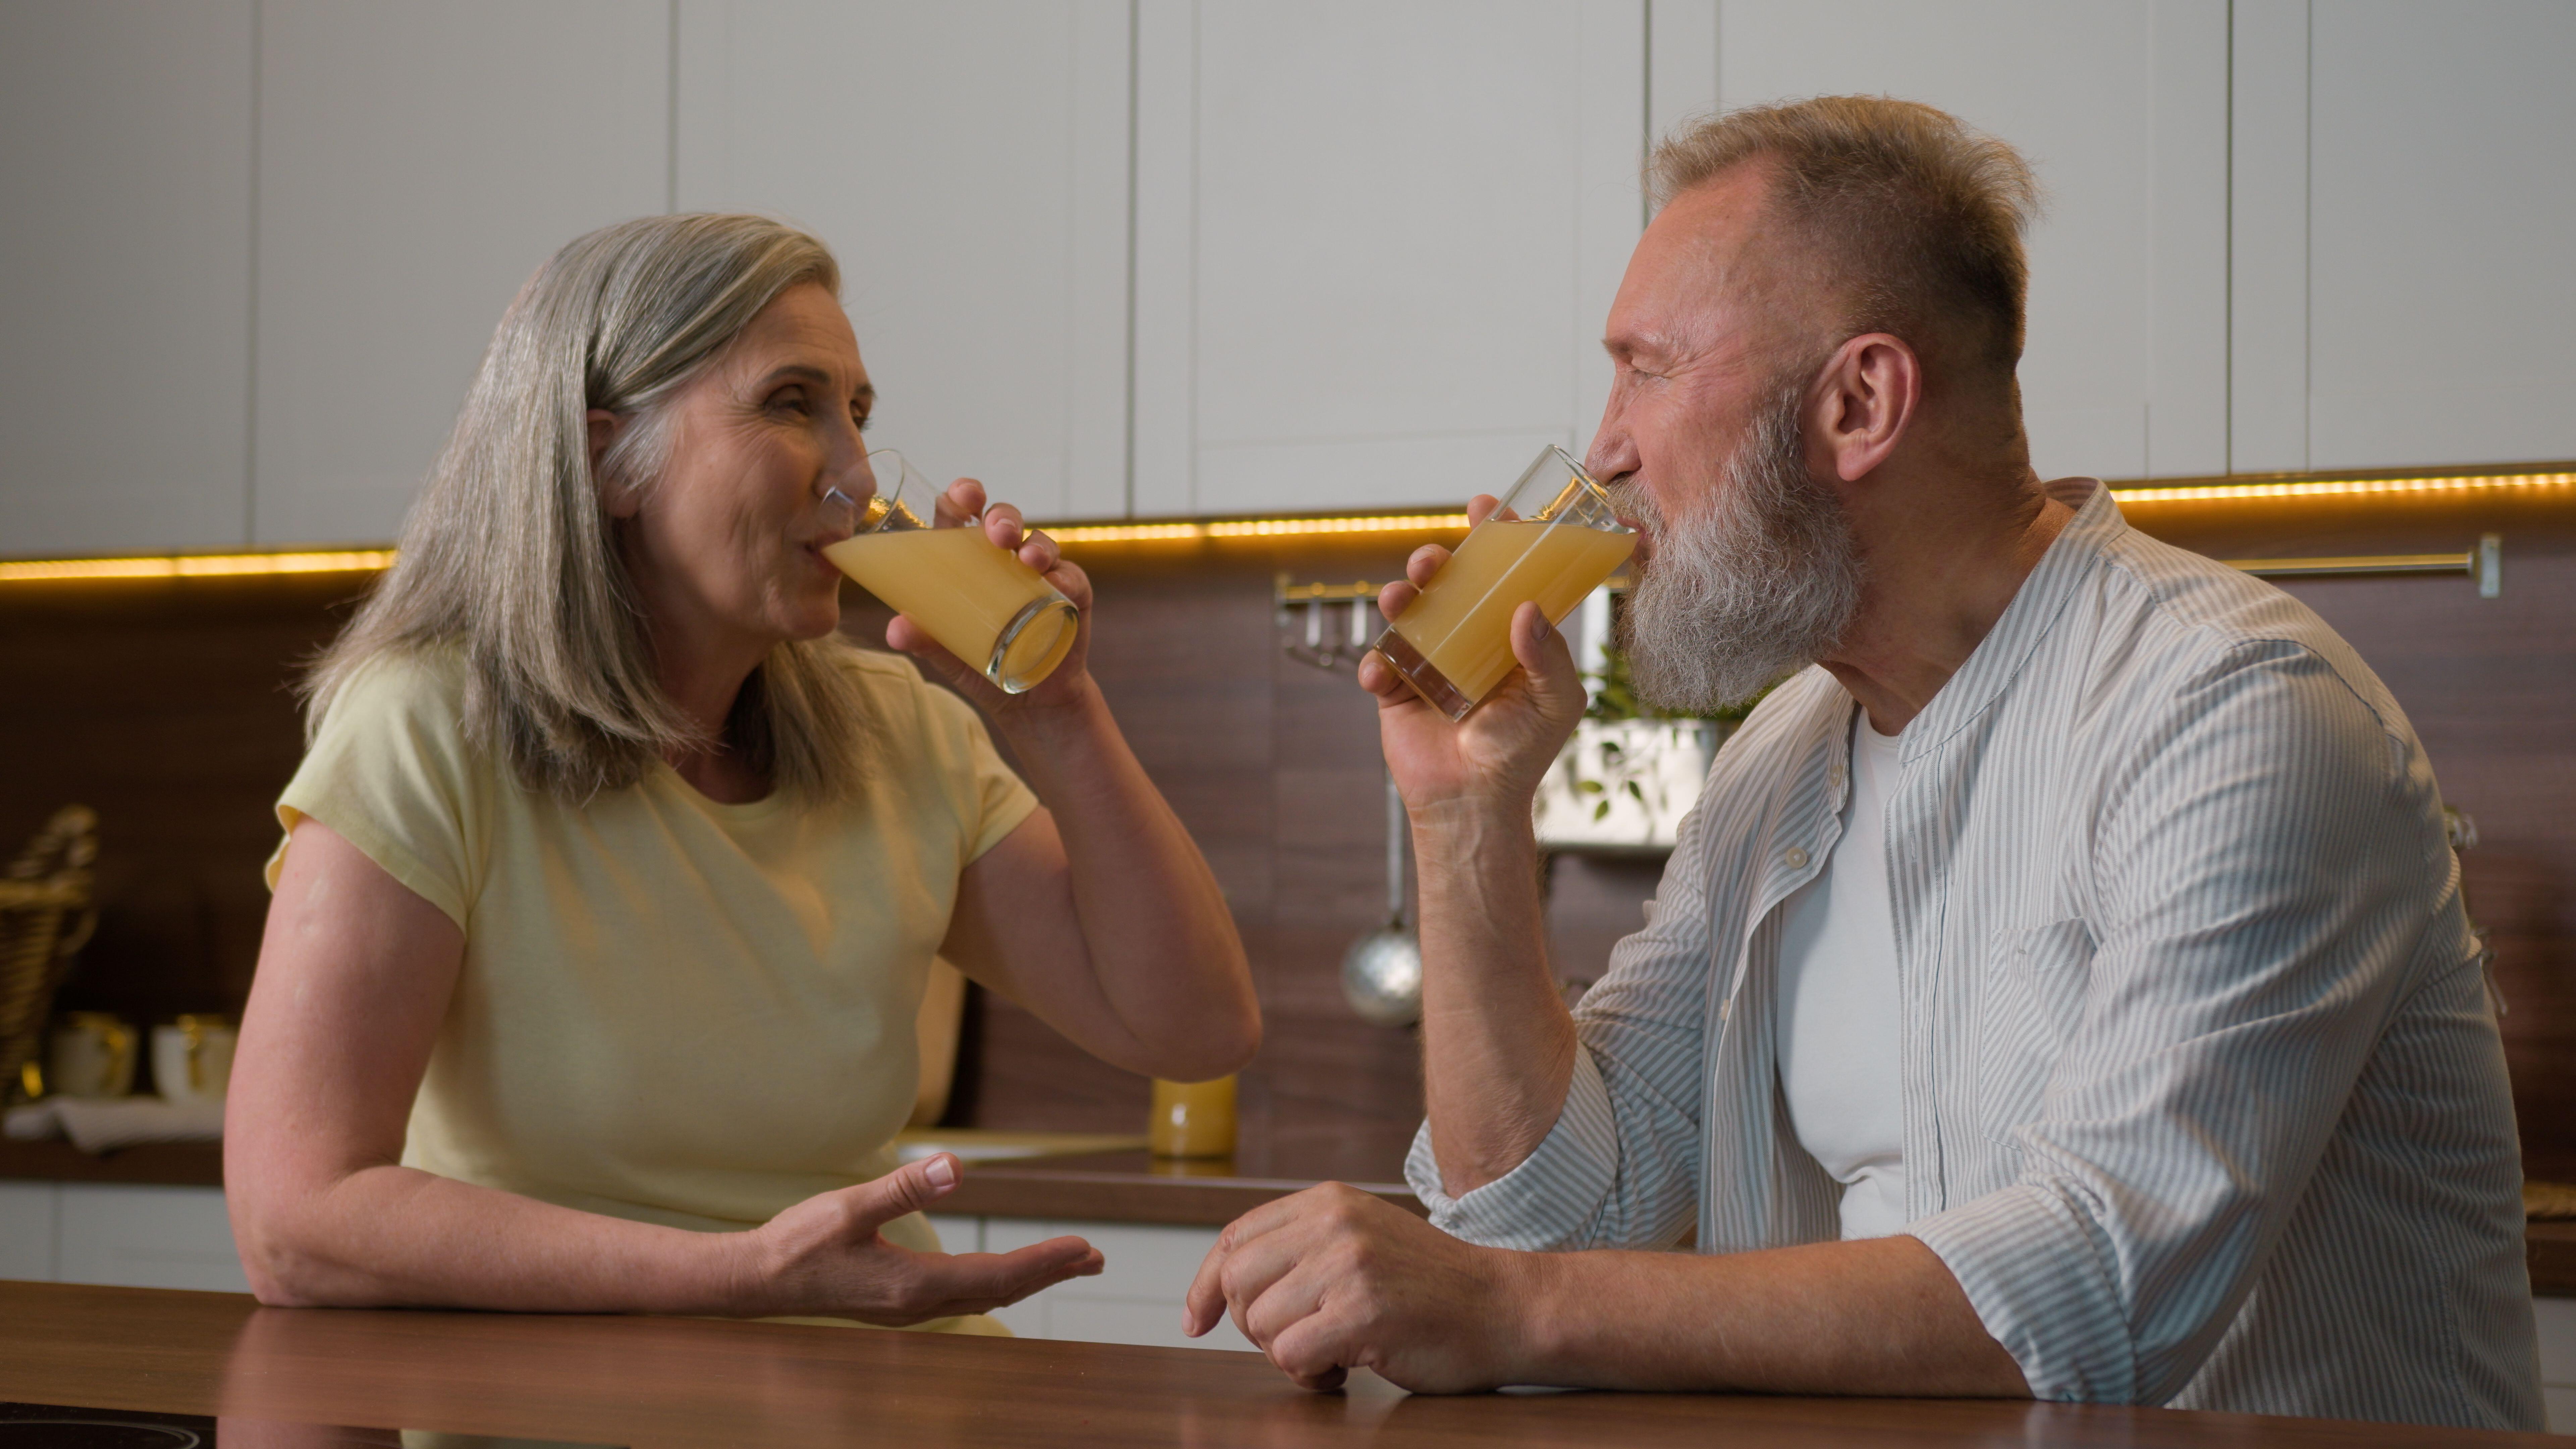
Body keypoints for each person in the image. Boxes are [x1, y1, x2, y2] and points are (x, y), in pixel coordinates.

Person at [1183, 97, 2540, 1429]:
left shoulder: (2234, 709)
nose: (1603, 449)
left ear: (1861, 402)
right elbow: (1557, 1212)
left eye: (1646, 368)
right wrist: (1463, 817)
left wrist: (1513, 1310)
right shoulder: (1780, 760)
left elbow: (2102, 1291)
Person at [227, 214, 1262, 1333]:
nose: (861, 477)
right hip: (560, 1404)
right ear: (607, 461)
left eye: (858, 414)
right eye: (791, 404)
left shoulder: (902, 728)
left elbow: (1194, 1031)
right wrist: (745, 1278)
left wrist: (1061, 716)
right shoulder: (427, 725)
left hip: (881, 1397)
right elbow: (297, 1221)